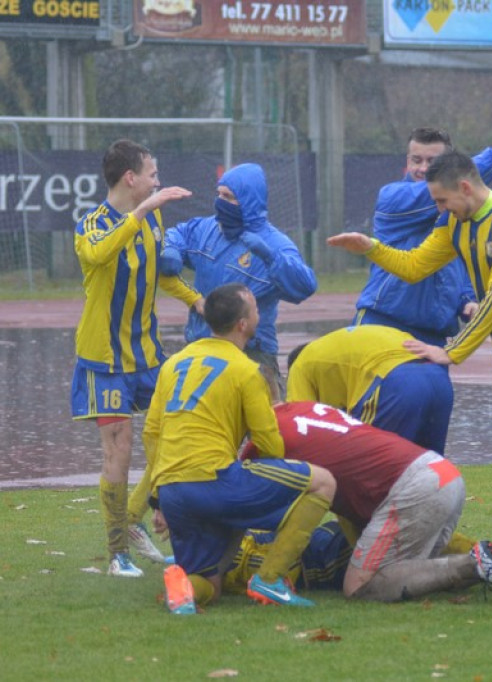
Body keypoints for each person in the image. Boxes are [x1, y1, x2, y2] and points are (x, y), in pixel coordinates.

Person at [328, 151, 492, 588]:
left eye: (442, 200)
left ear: (465, 187)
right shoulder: (455, 223)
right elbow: (414, 266)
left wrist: (452, 351)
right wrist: (372, 248)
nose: (438, 209)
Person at [240, 400, 492, 605]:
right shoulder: (302, 408)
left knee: (359, 587)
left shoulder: (265, 443)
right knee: (417, 572)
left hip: (414, 487)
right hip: (439, 472)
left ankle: (475, 562)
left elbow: (256, 514)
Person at [142, 283, 336, 608]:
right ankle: (270, 579)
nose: (259, 312)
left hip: (173, 492)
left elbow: (151, 433)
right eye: (256, 308)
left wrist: (159, 495)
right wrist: (280, 476)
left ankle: (185, 587)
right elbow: (269, 442)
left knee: (211, 585)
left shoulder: (173, 364)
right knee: (322, 482)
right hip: (215, 483)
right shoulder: (247, 371)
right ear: (243, 325)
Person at [70, 139, 204, 578]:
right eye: (152, 173)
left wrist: (196, 301)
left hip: (147, 357)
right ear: (131, 178)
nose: (158, 181)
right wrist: (143, 211)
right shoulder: (91, 224)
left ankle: (132, 520)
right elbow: (99, 254)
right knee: (119, 451)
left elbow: (163, 277)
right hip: (104, 361)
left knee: (177, 429)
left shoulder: (154, 217)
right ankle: (116, 555)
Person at [159, 162, 316, 399]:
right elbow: (179, 233)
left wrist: (271, 258)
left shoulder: (274, 244)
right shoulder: (207, 229)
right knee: (207, 426)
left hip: (252, 351)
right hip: (204, 346)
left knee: (269, 426)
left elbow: (305, 286)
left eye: (229, 197)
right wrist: (171, 249)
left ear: (249, 201)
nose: (220, 201)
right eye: (219, 194)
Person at [353, 124, 492, 347]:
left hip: (433, 335)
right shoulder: (393, 198)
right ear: (407, 160)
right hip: (383, 322)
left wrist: (467, 300)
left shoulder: (457, 212)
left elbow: (456, 264)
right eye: (416, 160)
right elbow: (449, 185)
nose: (423, 168)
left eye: (432, 161)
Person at [285, 324, 453, 454]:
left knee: (367, 460)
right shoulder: (336, 346)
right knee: (431, 465)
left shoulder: (300, 364)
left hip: (396, 382)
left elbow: (300, 422)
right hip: (438, 378)